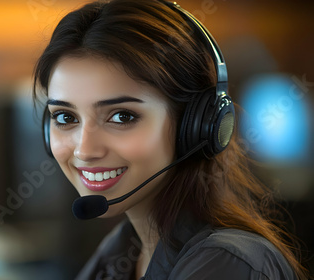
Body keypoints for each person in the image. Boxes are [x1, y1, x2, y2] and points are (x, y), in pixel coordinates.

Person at [32, 0, 308, 279]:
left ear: (198, 125)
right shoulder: (122, 250)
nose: (85, 150)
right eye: (66, 118)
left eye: (122, 117)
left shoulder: (227, 265)